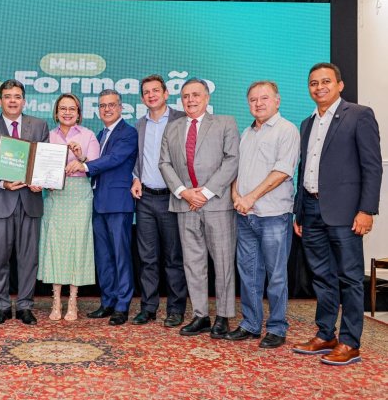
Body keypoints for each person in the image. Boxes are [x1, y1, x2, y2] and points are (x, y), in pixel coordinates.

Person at [292, 63, 382, 365]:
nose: (319, 87)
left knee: (350, 277)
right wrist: (299, 212)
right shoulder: (307, 123)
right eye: (313, 83)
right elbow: (304, 170)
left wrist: (366, 210)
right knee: (321, 277)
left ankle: (350, 342)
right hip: (311, 209)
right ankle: (325, 334)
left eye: (326, 81)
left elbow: (372, 166)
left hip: (345, 212)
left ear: (340, 85)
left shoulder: (359, 115)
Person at [159, 78, 239, 338]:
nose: (190, 100)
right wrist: (184, 192)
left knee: (223, 262)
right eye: (186, 96)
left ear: (207, 97)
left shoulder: (225, 123)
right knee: (193, 263)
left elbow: (232, 160)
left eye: (196, 95)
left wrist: (204, 193)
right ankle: (200, 315)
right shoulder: (172, 128)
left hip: (216, 203)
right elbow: (164, 164)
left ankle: (223, 316)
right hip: (185, 204)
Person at [224, 81, 299, 348]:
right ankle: (251, 324)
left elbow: (282, 172)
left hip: (273, 215)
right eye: (253, 99)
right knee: (248, 273)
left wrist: (250, 198)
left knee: (276, 275)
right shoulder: (246, 133)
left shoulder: (287, 130)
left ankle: (277, 328)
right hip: (245, 215)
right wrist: (236, 196)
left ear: (277, 101)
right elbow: (236, 170)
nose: (258, 103)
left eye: (264, 98)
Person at [0, 79, 49, 325]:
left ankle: (26, 305)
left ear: (24, 101)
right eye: (8, 96)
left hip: (30, 200)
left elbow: (44, 161)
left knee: (28, 258)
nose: (13, 101)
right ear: (0, 101)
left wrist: (40, 180)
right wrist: (1, 183)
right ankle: (2, 306)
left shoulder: (39, 125)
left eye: (17, 96)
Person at [66, 89, 138, 326]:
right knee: (104, 256)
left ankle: (122, 305)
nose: (107, 109)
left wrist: (84, 166)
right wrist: (83, 160)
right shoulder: (100, 134)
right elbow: (97, 164)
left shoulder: (128, 133)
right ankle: (108, 301)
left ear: (121, 107)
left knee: (120, 255)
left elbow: (114, 159)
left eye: (111, 105)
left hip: (118, 204)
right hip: (98, 203)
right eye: (102, 105)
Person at [130, 75, 188, 327]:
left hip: (172, 198)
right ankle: (148, 307)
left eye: (156, 90)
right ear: (142, 98)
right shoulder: (139, 125)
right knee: (147, 258)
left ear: (165, 94)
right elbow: (138, 158)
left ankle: (175, 309)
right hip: (145, 199)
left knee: (174, 258)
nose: (151, 95)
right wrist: (135, 178)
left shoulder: (181, 119)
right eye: (146, 92)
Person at [38, 93, 100, 321]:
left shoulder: (88, 135)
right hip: (55, 196)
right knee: (55, 246)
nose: (67, 112)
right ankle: (56, 301)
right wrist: (45, 180)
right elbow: (40, 167)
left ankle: (73, 301)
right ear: (56, 112)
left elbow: (95, 165)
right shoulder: (48, 136)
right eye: (63, 108)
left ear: (78, 113)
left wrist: (80, 157)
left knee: (77, 246)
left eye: (72, 109)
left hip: (79, 195)